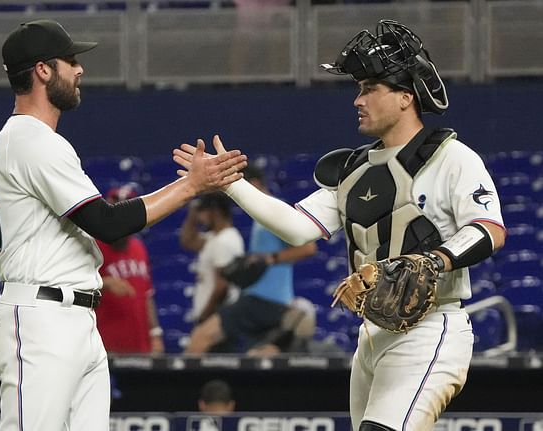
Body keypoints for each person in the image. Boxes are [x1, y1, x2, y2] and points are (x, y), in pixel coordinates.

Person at [174, 20, 506, 431]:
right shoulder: (353, 170)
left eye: (369, 88)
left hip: (432, 327)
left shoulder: (453, 157)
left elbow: (489, 228)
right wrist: (232, 184)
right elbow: (296, 228)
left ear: (405, 97)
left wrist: (434, 262)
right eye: (358, 88)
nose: (357, 100)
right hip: (371, 336)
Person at [0, 19, 246, 431]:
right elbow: (107, 223)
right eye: (70, 59)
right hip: (41, 318)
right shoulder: (31, 140)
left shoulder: (33, 140)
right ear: (43, 70)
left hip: (75, 318)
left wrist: (190, 186)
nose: (80, 69)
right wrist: (191, 185)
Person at [186, 166, 317, 354]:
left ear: (254, 184)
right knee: (257, 355)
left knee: (201, 336)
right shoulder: (262, 217)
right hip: (266, 302)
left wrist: (270, 258)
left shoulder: (272, 210)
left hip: (262, 301)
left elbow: (309, 248)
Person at [95, 184, 163, 354]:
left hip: (140, 344)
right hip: (105, 344)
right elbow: (71, 285)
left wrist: (155, 334)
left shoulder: (138, 247)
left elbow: (147, 295)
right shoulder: (94, 246)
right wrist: (105, 282)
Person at [179, 192, 245, 326]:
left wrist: (204, 318)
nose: (200, 217)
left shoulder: (224, 241)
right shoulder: (215, 237)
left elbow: (222, 286)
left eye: (203, 212)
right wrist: (192, 215)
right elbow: (187, 241)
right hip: (217, 319)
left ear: (216, 212)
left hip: (216, 319)